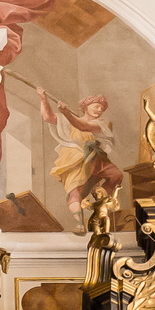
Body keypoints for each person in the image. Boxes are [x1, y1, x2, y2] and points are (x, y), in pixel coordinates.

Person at [37, 87, 123, 233]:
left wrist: (66, 113)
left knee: (116, 175)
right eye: (96, 106)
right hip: (74, 158)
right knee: (75, 192)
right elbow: (48, 117)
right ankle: (79, 224)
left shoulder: (103, 123)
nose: (99, 110)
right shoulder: (68, 119)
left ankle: (100, 204)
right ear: (85, 107)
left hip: (96, 157)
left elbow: (83, 127)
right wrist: (43, 99)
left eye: (102, 108)